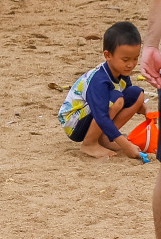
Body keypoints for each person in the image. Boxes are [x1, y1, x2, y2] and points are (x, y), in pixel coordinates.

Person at [61, 22, 150, 162]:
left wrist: (145, 110)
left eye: (135, 58)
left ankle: (104, 138)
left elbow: (129, 96)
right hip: (75, 123)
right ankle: (89, 144)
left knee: (137, 94)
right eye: (125, 59)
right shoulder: (99, 80)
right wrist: (125, 145)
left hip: (95, 115)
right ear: (108, 55)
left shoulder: (122, 72)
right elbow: (102, 116)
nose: (131, 64)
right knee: (116, 99)